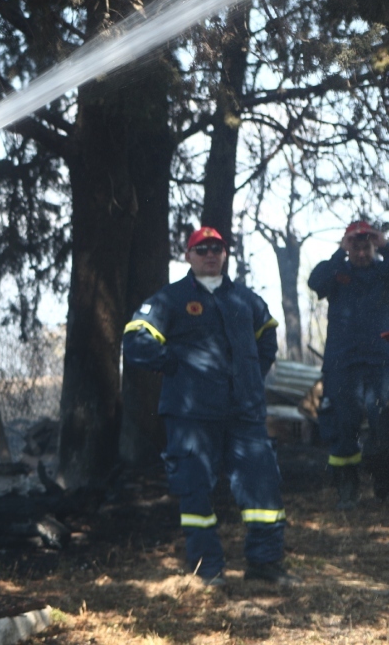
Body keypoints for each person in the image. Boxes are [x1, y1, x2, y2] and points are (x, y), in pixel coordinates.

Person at [123, 226, 298, 587]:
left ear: (224, 254)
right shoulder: (170, 299)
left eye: (216, 248)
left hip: (244, 415)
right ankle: (208, 570)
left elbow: (266, 341)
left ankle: (265, 566)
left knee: (262, 490)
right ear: (188, 256)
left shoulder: (246, 300)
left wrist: (248, 376)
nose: (210, 254)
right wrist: (174, 366)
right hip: (192, 418)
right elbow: (137, 341)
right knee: (195, 492)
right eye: (201, 249)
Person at [306, 220, 389, 508]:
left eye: (366, 247)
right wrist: (338, 253)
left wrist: (386, 247)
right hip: (343, 364)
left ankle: (383, 483)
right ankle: (347, 489)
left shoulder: (383, 272)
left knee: (384, 424)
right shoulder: (337, 272)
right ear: (347, 247)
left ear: (373, 246)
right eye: (355, 247)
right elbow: (315, 282)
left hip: (380, 362)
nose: (362, 253)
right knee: (344, 426)